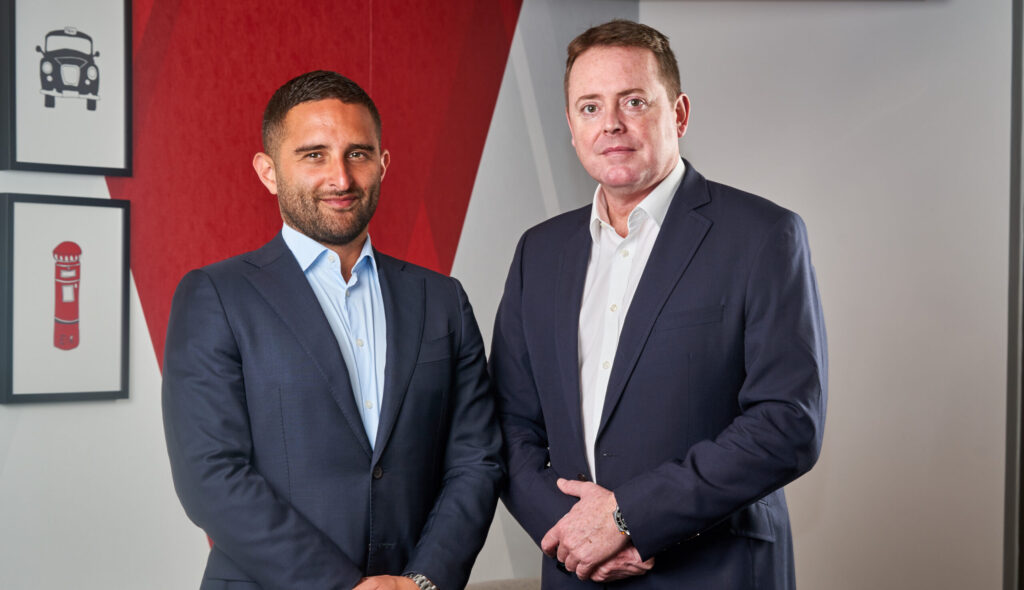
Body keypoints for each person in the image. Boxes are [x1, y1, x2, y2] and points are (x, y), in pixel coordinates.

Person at [491, 20, 827, 589]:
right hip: (578, 572)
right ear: (571, 128)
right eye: (590, 107)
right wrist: (574, 534)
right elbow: (507, 423)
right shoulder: (539, 252)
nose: (612, 124)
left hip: (715, 571)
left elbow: (786, 422)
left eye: (634, 101)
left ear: (679, 113)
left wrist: (630, 518)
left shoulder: (763, 235)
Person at [162, 70, 503, 590]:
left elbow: (476, 459)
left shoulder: (442, 300)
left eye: (358, 154)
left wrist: (424, 579)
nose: (340, 179)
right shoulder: (215, 296)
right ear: (269, 171)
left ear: (383, 165)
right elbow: (210, 476)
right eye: (313, 155)